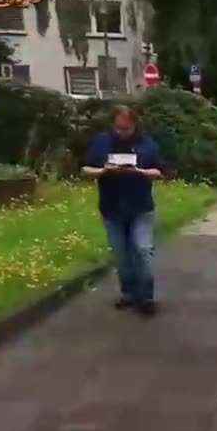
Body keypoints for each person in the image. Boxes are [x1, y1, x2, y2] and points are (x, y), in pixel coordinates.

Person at [83, 106, 165, 316]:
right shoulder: (102, 141)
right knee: (121, 256)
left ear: (135, 125)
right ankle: (128, 293)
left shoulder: (147, 144)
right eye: (119, 128)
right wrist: (104, 171)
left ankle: (146, 297)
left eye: (126, 128)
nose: (122, 132)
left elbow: (159, 171)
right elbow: (86, 169)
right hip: (111, 208)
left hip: (141, 208)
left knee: (142, 249)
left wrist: (140, 172)